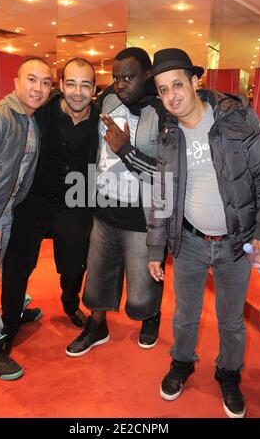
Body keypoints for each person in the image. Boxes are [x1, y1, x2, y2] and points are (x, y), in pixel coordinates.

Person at [146, 48, 260, 418]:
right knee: (185, 315)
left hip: (237, 243)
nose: (172, 96)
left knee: (232, 320)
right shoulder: (165, 132)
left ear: (195, 81)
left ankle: (228, 372)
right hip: (189, 242)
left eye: (178, 85)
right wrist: (155, 248)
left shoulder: (237, 118)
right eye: (164, 90)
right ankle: (181, 363)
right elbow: (161, 193)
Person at [66, 47, 166, 357]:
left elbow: (165, 173)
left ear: (146, 76)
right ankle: (98, 326)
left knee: (141, 291)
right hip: (104, 210)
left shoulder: (161, 112)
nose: (121, 84)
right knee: (96, 279)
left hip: (141, 218)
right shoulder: (109, 97)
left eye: (129, 77)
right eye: (116, 77)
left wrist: (127, 151)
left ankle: (151, 316)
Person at [1, 58, 99, 347]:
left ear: (94, 89)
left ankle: (70, 303)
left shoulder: (102, 118)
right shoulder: (43, 112)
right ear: (61, 86)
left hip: (77, 198)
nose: (77, 92)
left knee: (73, 263)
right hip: (37, 195)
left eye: (85, 85)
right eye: (71, 83)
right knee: (18, 262)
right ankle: (10, 320)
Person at [0, 58, 53, 380]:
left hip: (5, 210)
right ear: (16, 83)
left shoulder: (29, 119)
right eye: (31, 80)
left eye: (45, 82)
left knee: (5, 266)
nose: (38, 88)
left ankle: (13, 309)